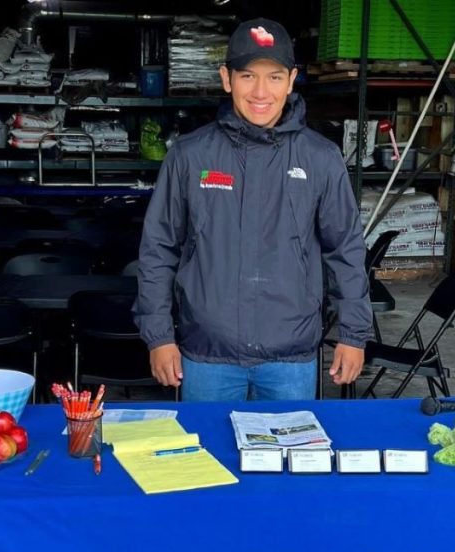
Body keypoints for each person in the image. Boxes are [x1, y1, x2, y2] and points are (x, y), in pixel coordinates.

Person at [134, 18, 372, 401]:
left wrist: (352, 333)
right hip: (207, 354)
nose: (261, 91)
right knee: (207, 459)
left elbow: (345, 250)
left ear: (292, 80)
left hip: (291, 357)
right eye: (247, 76)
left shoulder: (321, 158)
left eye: (275, 77)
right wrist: (159, 336)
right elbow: (158, 249)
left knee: (286, 459)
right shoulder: (190, 156)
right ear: (227, 79)